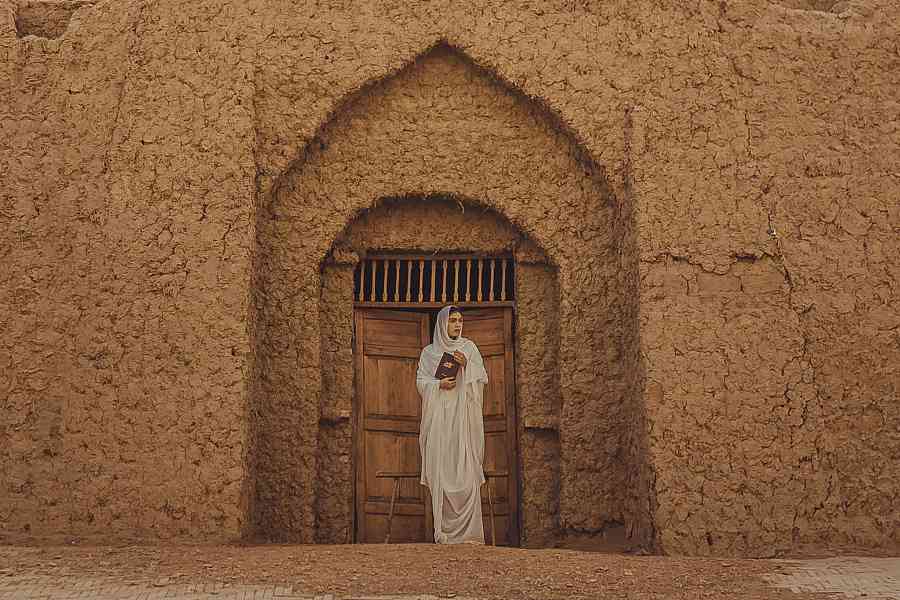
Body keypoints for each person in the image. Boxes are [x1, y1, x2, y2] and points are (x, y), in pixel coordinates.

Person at [416, 305, 489, 544]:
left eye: (460, 320)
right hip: (439, 420)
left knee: (466, 475)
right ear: (442, 324)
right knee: (441, 472)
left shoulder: (469, 348)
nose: (458, 324)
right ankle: (444, 532)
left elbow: (480, 379)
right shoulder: (428, 352)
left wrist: (467, 365)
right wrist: (438, 386)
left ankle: (469, 534)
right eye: (453, 320)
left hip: (463, 420)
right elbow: (421, 381)